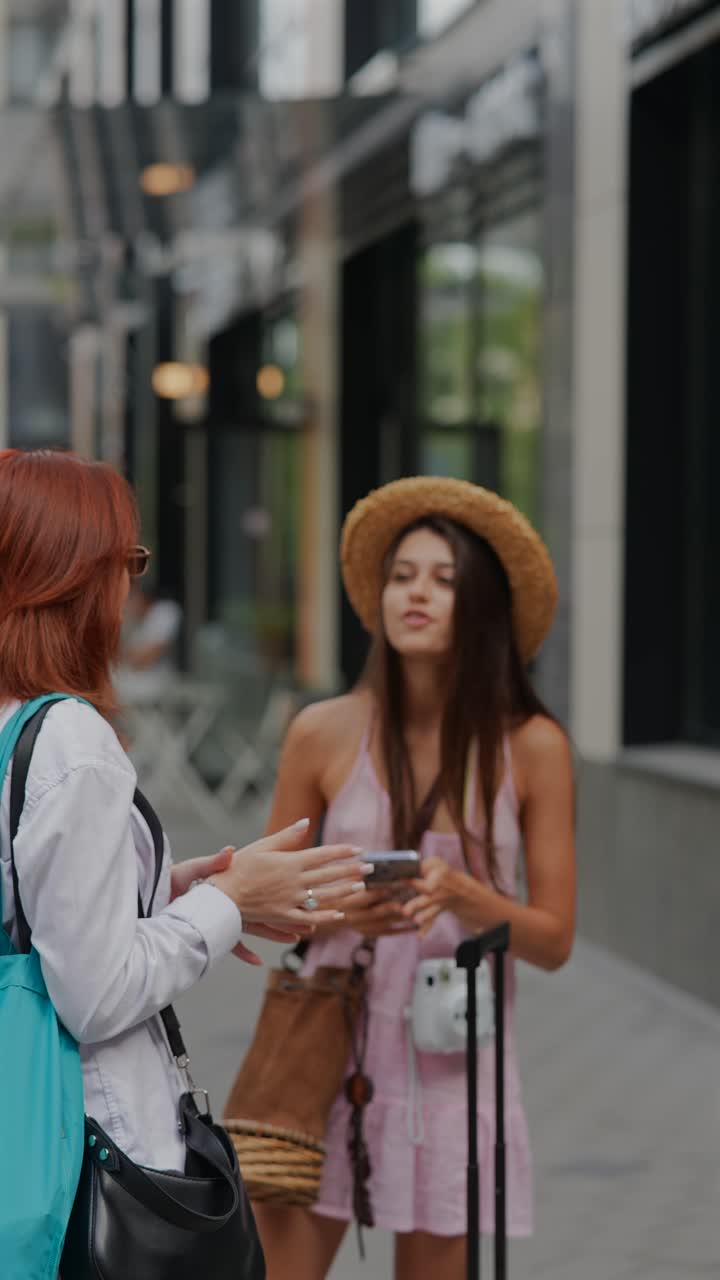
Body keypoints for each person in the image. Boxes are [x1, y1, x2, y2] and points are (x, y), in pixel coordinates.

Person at [0, 449, 370, 1197]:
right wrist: (225, 906)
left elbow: (26, 907)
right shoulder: (70, 741)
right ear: (75, 572)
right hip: (82, 1145)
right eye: (126, 561)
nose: (129, 587)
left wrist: (163, 891)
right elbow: (98, 996)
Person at [252, 477, 576, 1280]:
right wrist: (342, 913)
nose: (416, 595)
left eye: (443, 578)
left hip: (454, 1063)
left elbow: (554, 942)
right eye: (402, 576)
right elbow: (259, 906)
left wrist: (466, 897)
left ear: (486, 606)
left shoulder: (532, 746)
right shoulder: (322, 732)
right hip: (325, 1048)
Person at [115, 581, 182, 704]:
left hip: (157, 679)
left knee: (109, 689)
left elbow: (144, 660)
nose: (128, 603)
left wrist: (129, 656)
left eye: (131, 598)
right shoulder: (135, 619)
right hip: (135, 677)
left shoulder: (165, 612)